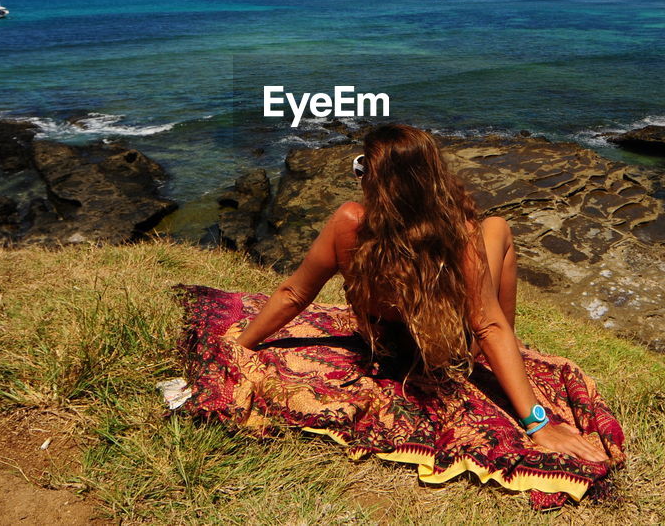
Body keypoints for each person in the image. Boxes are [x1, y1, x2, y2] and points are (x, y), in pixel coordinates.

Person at [234, 123, 611, 464]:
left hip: (381, 349)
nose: (358, 175)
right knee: (496, 228)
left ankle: (507, 349)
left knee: (489, 239)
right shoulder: (459, 235)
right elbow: (488, 327)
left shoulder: (349, 223)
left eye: (362, 167)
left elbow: (294, 293)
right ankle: (514, 351)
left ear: (376, 182)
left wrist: (240, 345)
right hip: (448, 355)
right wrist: (538, 424)